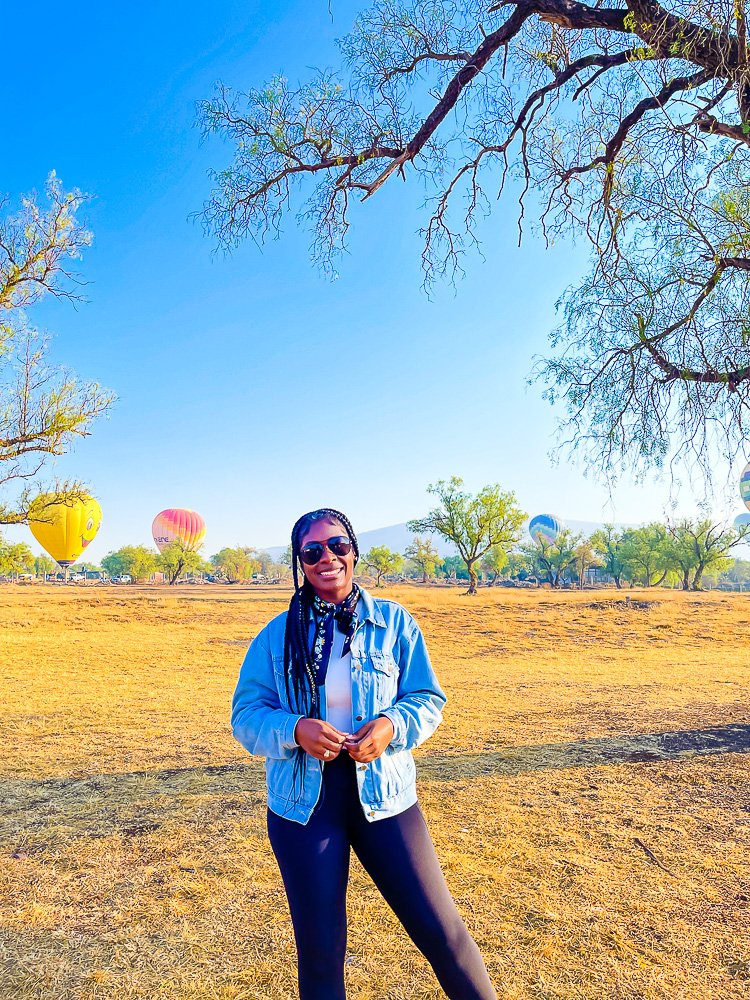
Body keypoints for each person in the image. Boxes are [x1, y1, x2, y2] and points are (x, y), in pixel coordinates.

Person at [231, 508, 497, 1000]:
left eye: (336, 546)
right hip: (303, 806)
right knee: (321, 953)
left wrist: (392, 724)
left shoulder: (395, 622)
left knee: (444, 934)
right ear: (300, 563)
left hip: (386, 799)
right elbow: (246, 715)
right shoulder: (276, 635)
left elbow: (427, 698)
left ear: (353, 550)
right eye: (312, 552)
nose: (326, 558)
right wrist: (295, 728)